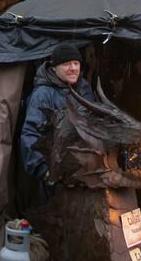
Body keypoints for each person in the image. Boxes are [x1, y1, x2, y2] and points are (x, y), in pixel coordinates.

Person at [20, 42, 94, 182]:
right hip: (55, 175)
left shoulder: (84, 90)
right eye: (66, 64)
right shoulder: (43, 94)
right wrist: (44, 170)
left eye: (76, 63)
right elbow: (30, 134)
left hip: (83, 172)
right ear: (54, 68)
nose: (73, 68)